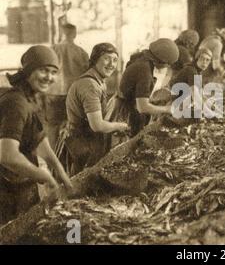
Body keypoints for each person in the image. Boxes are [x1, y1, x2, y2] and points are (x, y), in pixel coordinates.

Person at [0, 46, 73, 225]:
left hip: (20, 184)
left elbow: (39, 139)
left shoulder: (30, 97)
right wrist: (45, 176)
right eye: (43, 70)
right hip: (6, 189)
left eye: (54, 72)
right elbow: (7, 155)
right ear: (29, 71)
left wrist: (61, 173)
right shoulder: (16, 103)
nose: (49, 77)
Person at [64, 43, 128, 175]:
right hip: (83, 142)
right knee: (81, 181)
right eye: (107, 58)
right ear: (95, 59)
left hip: (87, 139)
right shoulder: (90, 85)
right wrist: (120, 126)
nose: (111, 64)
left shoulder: (98, 81)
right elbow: (97, 125)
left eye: (115, 60)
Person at [106, 38, 178, 138]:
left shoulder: (143, 58)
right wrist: (167, 109)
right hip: (123, 111)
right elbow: (143, 107)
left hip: (126, 104)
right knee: (123, 146)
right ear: (160, 61)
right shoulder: (144, 71)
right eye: (167, 64)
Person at [45, 24, 89, 150]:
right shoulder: (81, 52)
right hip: (73, 95)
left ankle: (54, 160)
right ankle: (69, 158)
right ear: (74, 34)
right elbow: (87, 73)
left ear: (61, 33)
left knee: (53, 126)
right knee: (74, 125)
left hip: (53, 93)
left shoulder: (52, 50)